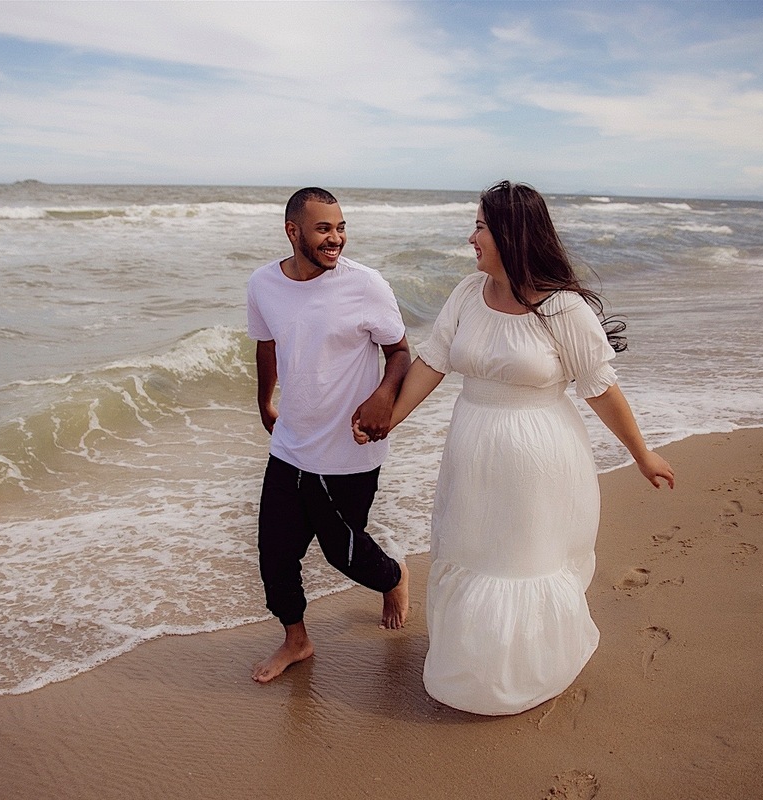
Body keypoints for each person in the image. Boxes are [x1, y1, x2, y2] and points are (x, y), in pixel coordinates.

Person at [355, 180, 674, 714]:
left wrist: (641, 454)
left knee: (519, 561)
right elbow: (432, 362)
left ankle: (525, 672)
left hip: (539, 459)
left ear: (510, 232)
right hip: (472, 450)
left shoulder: (563, 309)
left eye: (480, 226)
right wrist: (389, 419)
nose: (471, 237)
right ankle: (474, 667)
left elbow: (599, 387)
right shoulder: (465, 293)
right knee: (471, 551)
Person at [246, 186, 412, 684]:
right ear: (293, 231)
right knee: (274, 554)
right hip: (291, 444)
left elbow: (400, 352)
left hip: (350, 448)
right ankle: (297, 640)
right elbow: (266, 342)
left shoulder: (366, 285)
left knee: (343, 553)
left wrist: (384, 397)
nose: (335, 238)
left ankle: (394, 577)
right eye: (323, 228)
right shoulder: (263, 283)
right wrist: (264, 401)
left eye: (340, 227)